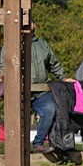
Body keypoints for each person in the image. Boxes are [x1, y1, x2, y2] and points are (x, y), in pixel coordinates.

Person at [30, 22, 65, 153]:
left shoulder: (42, 44)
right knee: (16, 118)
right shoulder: (12, 43)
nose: (31, 24)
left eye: (32, 22)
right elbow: (3, 65)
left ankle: (39, 143)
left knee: (51, 109)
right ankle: (16, 148)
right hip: (19, 91)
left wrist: (63, 77)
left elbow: (54, 63)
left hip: (40, 91)